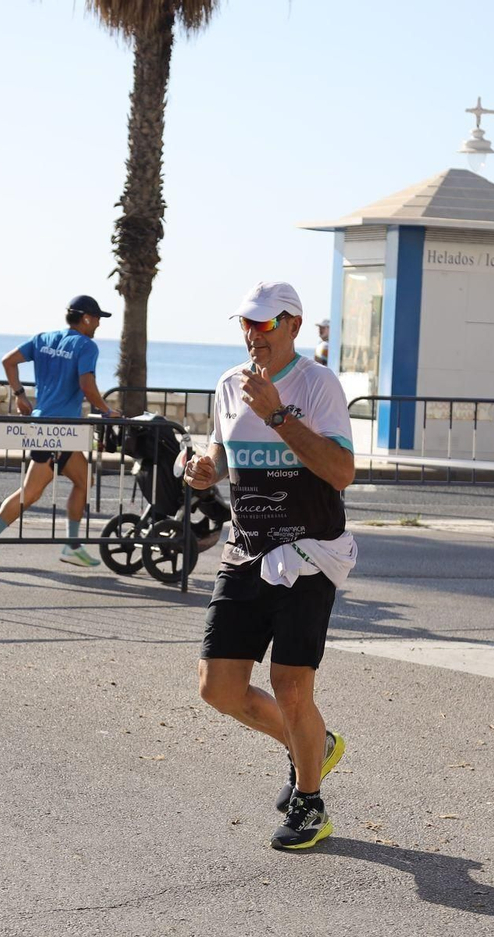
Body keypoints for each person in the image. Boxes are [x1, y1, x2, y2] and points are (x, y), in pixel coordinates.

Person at [184, 282, 358, 851]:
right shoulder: (229, 384)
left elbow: (341, 471)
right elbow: (220, 450)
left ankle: (310, 801)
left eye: (264, 323)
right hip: (246, 549)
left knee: (290, 685)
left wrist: (279, 415)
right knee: (218, 688)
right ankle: (314, 744)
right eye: (246, 323)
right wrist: (204, 468)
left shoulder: (318, 384)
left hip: (308, 552)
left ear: (293, 326)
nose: (252, 334)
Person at [0, 295, 117, 578]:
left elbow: (8, 361)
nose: (99, 324)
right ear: (85, 318)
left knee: (83, 479)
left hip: (56, 428)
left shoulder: (44, 339)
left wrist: (19, 395)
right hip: (56, 429)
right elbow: (87, 384)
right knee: (31, 492)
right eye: (96, 318)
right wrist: (107, 410)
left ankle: (72, 545)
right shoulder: (86, 345)